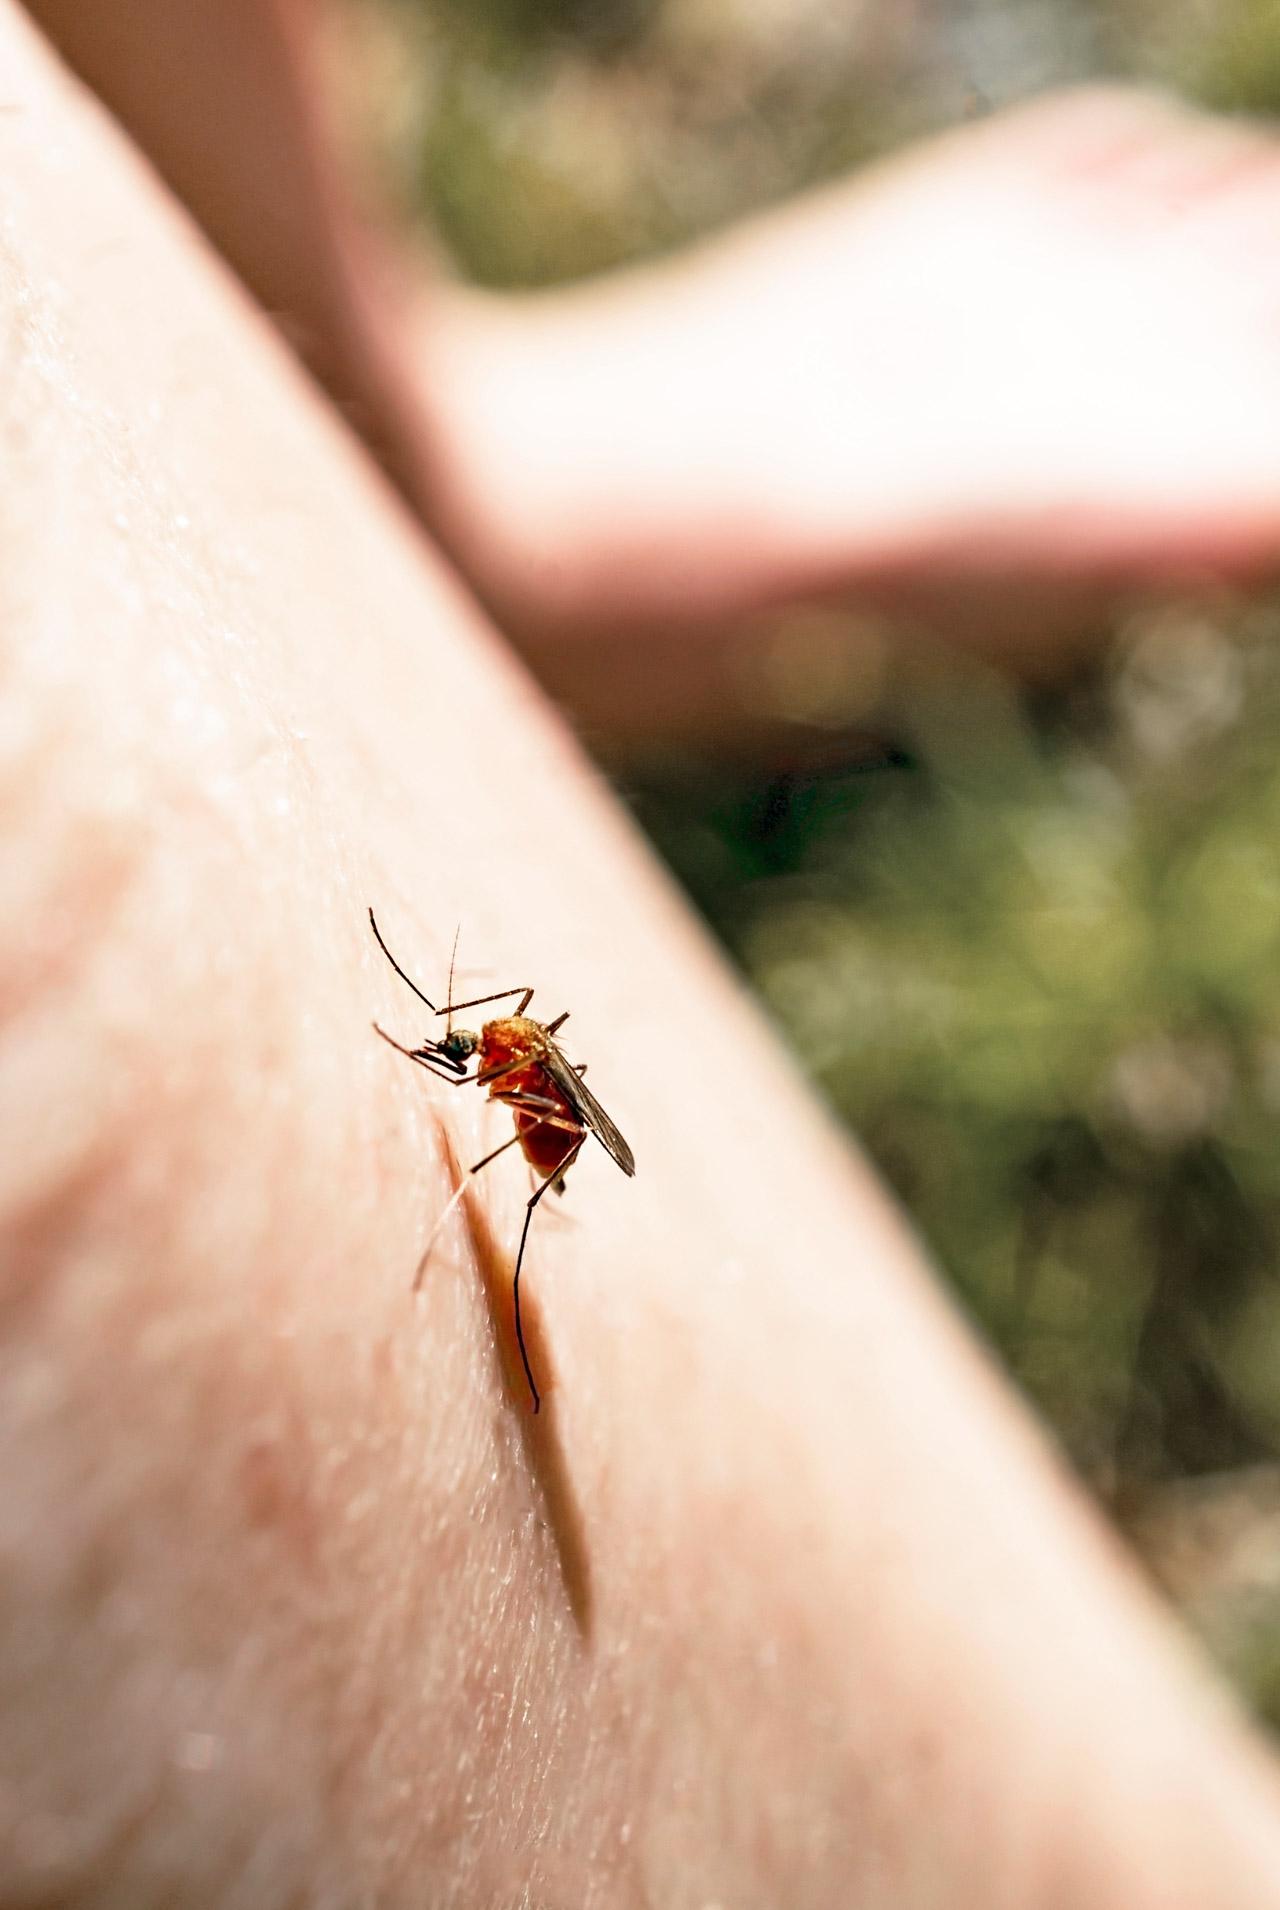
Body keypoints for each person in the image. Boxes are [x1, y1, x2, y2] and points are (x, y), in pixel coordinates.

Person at [6, 2, 1280, 1902]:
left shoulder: (527, 1091)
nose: (502, 1070)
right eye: (505, 1066)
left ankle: (395, 445)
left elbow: (526, 1077)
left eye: (502, 1065)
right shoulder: (511, 1067)